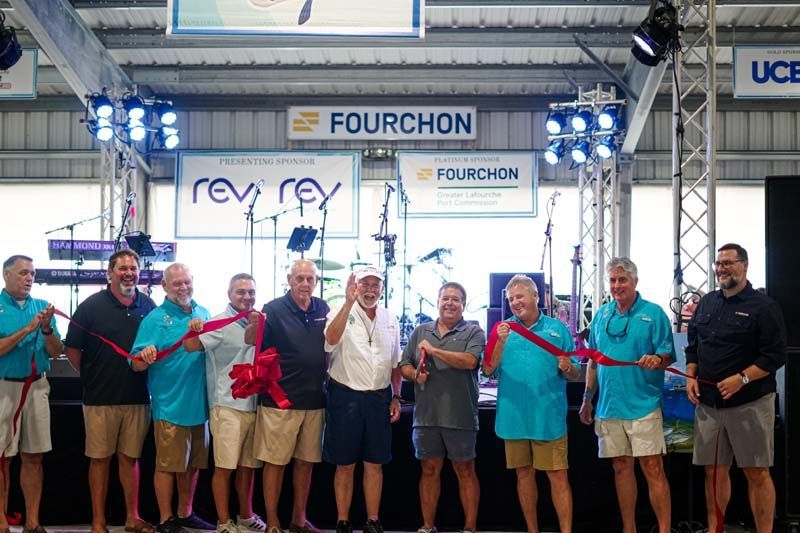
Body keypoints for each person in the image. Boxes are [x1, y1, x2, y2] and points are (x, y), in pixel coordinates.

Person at [685, 243, 786, 533]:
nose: (722, 269)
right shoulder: (706, 303)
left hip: (750, 403)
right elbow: (693, 346)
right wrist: (691, 376)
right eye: (718, 263)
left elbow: (775, 355)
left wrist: (741, 378)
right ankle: (715, 529)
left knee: (757, 473)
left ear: (744, 265)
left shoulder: (764, 307)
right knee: (713, 473)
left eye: (728, 263)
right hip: (709, 405)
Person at [579, 257, 675, 533]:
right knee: (621, 468)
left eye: (622, 279)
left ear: (635, 281)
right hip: (609, 407)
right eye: (612, 280)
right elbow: (593, 361)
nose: (617, 285)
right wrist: (587, 398)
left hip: (644, 405)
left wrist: (657, 358)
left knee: (653, 468)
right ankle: (629, 528)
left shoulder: (654, 313)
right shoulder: (601, 316)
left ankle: (664, 529)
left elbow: (667, 353)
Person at [64, 250, 157, 533]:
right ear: (109, 273)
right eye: (122, 268)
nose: (128, 273)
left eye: (133, 268)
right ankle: (98, 522)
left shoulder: (148, 305)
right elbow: (72, 350)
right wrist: (93, 376)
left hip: (138, 397)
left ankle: (132, 517)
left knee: (130, 459)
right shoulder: (91, 306)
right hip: (100, 399)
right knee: (100, 460)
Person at [483, 275, 579, 533]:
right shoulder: (502, 330)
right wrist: (499, 342)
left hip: (548, 418)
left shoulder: (558, 329)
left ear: (536, 297)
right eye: (511, 298)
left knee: (558, 477)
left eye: (520, 296)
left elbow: (576, 373)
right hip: (513, 419)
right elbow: (488, 370)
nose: (515, 302)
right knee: (523, 475)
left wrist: (569, 367)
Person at [246, 259, 330, 533]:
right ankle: (273, 522)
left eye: (310, 279)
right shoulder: (272, 309)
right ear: (289, 279)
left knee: (305, 464)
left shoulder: (323, 308)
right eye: (299, 278)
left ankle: (298, 519)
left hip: (315, 400)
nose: (305, 284)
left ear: (316, 282)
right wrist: (253, 325)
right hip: (280, 401)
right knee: (276, 463)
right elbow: (252, 342)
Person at [131, 263, 214, 533]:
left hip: (200, 405)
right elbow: (136, 364)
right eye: (176, 283)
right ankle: (167, 519)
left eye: (186, 282)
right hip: (169, 405)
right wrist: (145, 355)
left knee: (193, 464)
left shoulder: (204, 313)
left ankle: (185, 513)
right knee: (167, 465)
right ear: (165, 287)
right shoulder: (154, 319)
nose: (183, 287)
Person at [183, 273, 266, 533]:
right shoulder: (218, 322)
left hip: (254, 405)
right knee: (225, 468)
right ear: (229, 294)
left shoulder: (259, 321)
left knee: (247, 468)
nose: (247, 297)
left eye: (251, 292)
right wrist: (193, 327)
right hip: (226, 405)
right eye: (241, 292)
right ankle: (223, 521)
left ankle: (245, 516)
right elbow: (189, 346)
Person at [399, 282, 484, 533]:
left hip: (461, 415)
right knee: (429, 470)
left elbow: (470, 362)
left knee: (465, 470)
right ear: (437, 302)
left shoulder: (473, 331)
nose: (450, 303)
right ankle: (427, 526)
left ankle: (469, 528)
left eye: (456, 299)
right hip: (426, 416)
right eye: (445, 298)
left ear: (463, 305)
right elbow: (404, 365)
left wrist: (434, 351)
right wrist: (416, 375)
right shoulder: (420, 331)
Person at [323, 266, 402, 533]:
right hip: (345, 397)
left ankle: (372, 520)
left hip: (379, 398)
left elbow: (395, 363)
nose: (370, 289)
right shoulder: (339, 311)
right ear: (355, 287)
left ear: (382, 289)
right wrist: (347, 302)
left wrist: (397, 397)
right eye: (364, 284)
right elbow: (330, 341)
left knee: (375, 463)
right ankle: (343, 521)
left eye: (375, 285)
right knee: (345, 464)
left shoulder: (390, 318)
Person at [0, 255, 62, 533]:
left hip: (37, 386)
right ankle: (1, 521)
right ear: (6, 276)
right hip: (5, 387)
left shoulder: (42, 307)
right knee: (3, 457)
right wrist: (28, 328)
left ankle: (33, 522)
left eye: (32, 273)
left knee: (34, 455)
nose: (29, 278)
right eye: (23, 273)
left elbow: (54, 351)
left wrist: (46, 328)